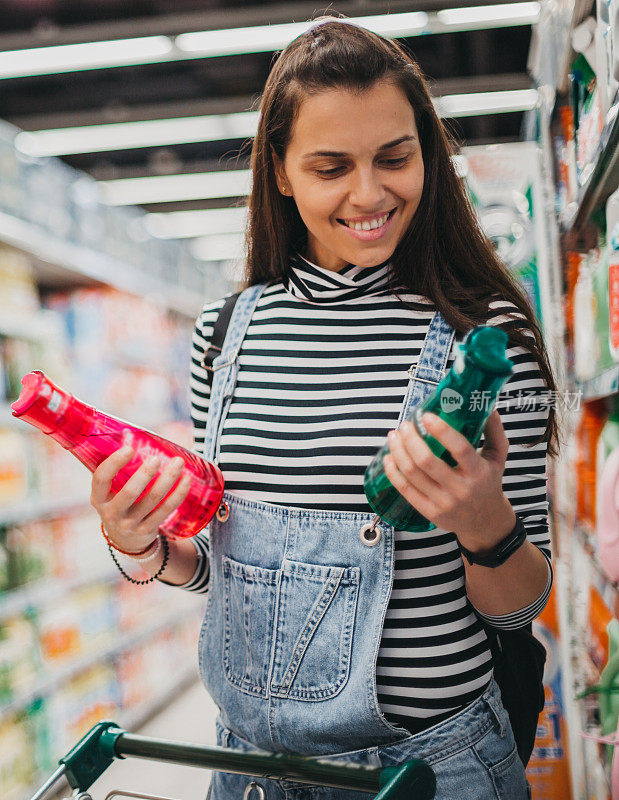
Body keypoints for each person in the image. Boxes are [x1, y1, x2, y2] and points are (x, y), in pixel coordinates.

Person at [90, 16, 560, 800]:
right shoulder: (224, 337)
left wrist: (482, 520)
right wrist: (134, 541)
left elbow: (523, 608)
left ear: (427, 157)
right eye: (330, 166)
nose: (369, 193)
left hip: (429, 772)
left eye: (395, 158)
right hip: (253, 775)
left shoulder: (484, 335)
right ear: (279, 171)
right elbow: (228, 578)